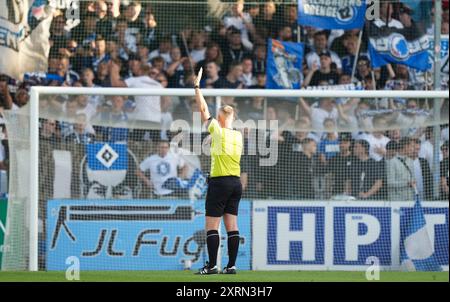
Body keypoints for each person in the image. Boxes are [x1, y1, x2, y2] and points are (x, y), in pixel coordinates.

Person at [193, 68, 243, 275]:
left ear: (221, 119)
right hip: (236, 183)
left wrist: (197, 87)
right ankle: (231, 266)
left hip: (220, 182)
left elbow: (203, 109)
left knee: (211, 226)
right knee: (232, 225)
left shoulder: (218, 131)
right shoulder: (238, 136)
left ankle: (212, 265)